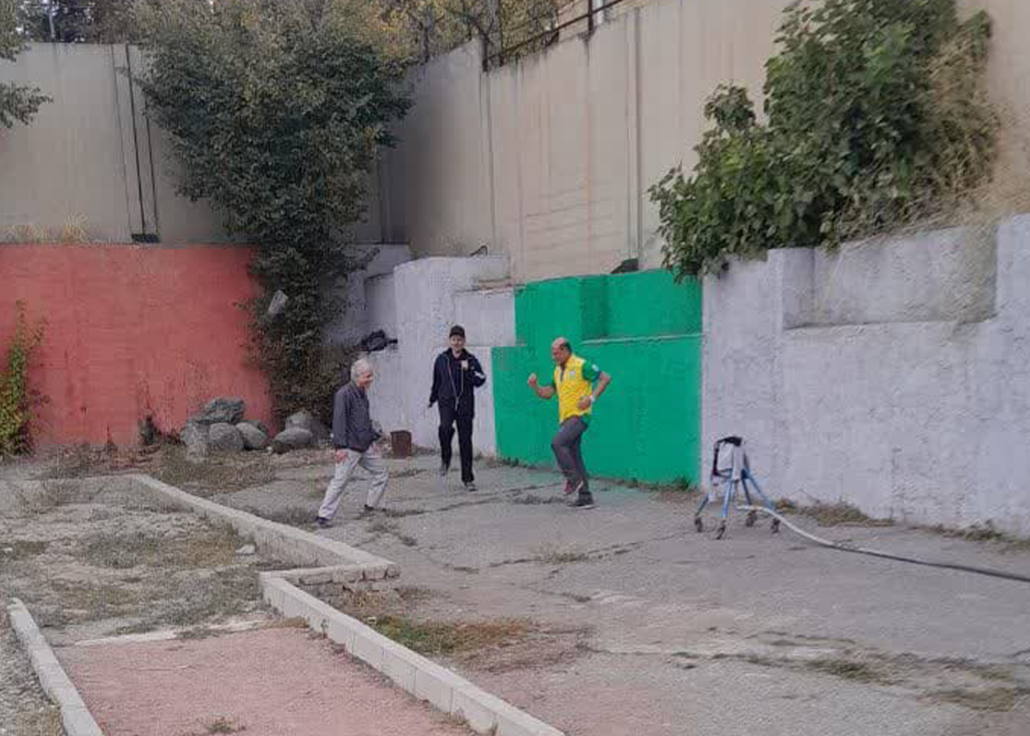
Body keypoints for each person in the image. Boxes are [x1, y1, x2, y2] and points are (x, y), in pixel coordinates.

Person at [528, 337, 611, 509]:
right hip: (565, 419)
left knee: (557, 443)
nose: (553, 357)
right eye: (552, 354)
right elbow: (547, 394)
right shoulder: (558, 371)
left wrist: (591, 398)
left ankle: (573, 479)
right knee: (574, 455)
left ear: (566, 351)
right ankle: (585, 497)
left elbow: (605, 378)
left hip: (580, 416)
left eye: (556, 353)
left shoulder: (582, 365)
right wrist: (535, 386)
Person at [315, 358, 388, 528]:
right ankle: (323, 516)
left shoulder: (362, 392)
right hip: (349, 448)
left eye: (371, 375)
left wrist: (373, 440)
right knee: (340, 481)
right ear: (357, 376)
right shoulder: (344, 394)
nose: (371, 379)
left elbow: (364, 421)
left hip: (364, 445)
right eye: (368, 376)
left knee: (381, 472)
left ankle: (370, 506)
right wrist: (340, 447)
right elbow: (339, 421)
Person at [429, 325, 487, 491]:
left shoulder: (470, 359)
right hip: (446, 402)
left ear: (464, 341)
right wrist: (432, 399)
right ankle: (446, 458)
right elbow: (436, 381)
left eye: (460, 340)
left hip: (465, 405)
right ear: (449, 341)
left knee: (465, 441)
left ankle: (468, 479)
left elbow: (481, 379)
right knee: (445, 428)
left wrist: (469, 371)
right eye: (454, 339)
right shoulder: (441, 359)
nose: (456, 343)